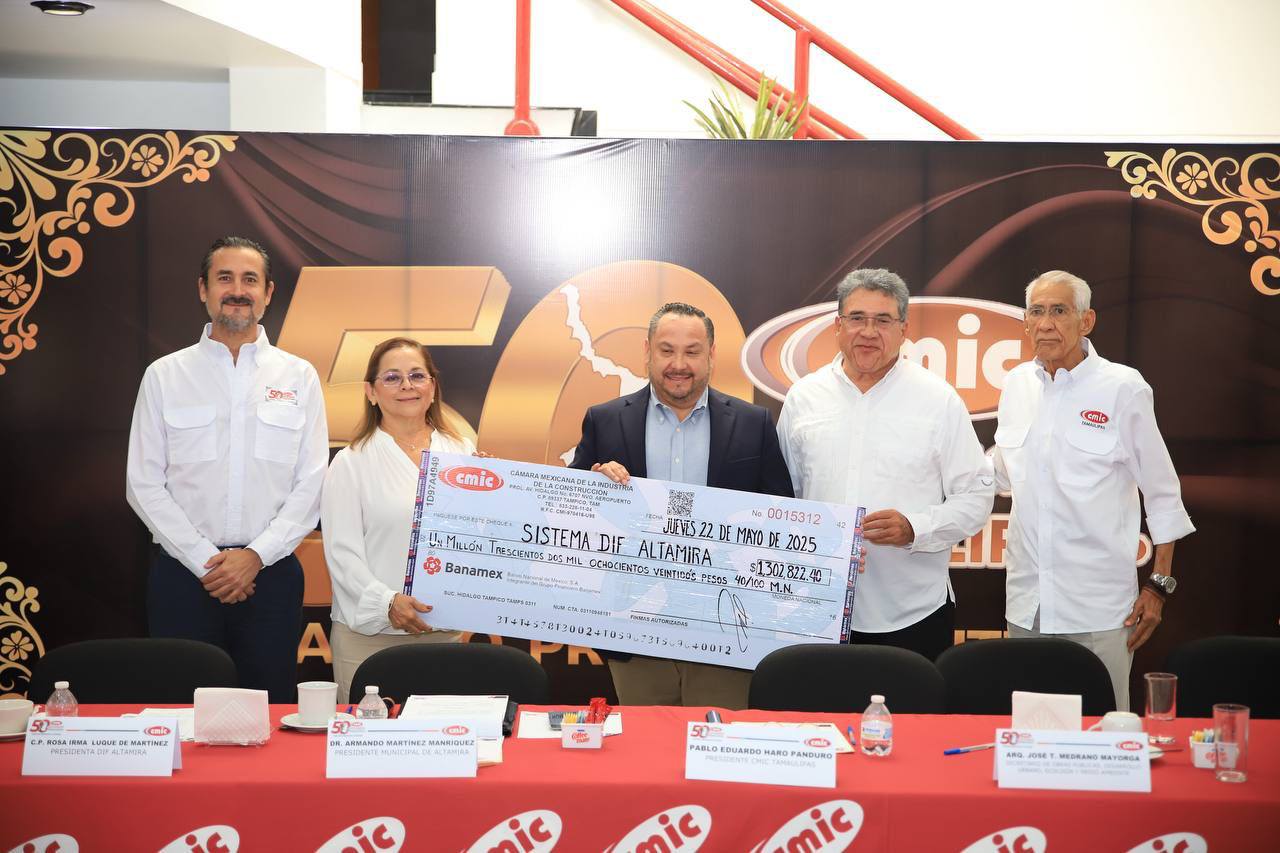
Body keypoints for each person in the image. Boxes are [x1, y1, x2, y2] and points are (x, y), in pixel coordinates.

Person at [126, 236, 328, 702]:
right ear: (203, 289)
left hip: (271, 576)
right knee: (182, 711)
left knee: (269, 711)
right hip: (183, 576)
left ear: (268, 293)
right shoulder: (165, 375)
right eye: (225, 278)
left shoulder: (299, 376)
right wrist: (205, 561)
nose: (238, 290)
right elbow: (142, 483)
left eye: (250, 280)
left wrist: (255, 556)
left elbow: (312, 482)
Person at [569, 302, 793, 709]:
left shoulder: (753, 423)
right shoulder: (604, 420)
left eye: (692, 351)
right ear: (647, 351)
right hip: (635, 632)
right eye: (666, 350)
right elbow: (569, 514)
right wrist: (593, 486)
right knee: (646, 744)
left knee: (718, 743)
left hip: (725, 632)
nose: (678, 364)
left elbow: (784, 518)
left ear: (711, 354)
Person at [993, 270, 1194, 711]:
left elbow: (1162, 493)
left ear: (1086, 321)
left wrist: (1158, 586)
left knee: (1104, 735)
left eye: (1059, 311)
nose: (1046, 323)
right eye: (1036, 311)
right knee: (1028, 733)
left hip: (1099, 611)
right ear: (1025, 322)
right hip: (1027, 606)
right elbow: (999, 474)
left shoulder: (1123, 387)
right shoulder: (1015, 385)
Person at [777, 268, 994, 662]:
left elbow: (976, 498)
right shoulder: (803, 398)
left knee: (911, 704)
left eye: (883, 320)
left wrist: (915, 528)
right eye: (857, 318)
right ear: (837, 326)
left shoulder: (939, 400)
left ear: (904, 330)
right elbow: (780, 497)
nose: (868, 332)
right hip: (814, 605)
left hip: (912, 612)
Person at [321, 337, 477, 702]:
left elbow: (476, 539)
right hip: (369, 639)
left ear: (432, 387)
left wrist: (498, 494)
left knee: (441, 735)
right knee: (368, 737)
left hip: (442, 632)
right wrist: (387, 602)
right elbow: (342, 555)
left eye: (417, 375)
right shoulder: (351, 462)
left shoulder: (463, 452)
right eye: (392, 377)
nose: (407, 385)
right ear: (371, 392)